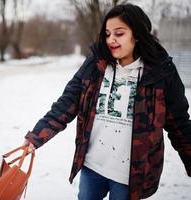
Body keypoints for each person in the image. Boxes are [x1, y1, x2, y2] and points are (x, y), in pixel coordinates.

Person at [23, 3, 191, 200]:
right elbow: (67, 102)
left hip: (130, 175)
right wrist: (36, 137)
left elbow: (179, 124)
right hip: (92, 166)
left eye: (119, 33)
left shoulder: (162, 72)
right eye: (107, 33)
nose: (111, 39)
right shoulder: (97, 64)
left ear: (137, 34)